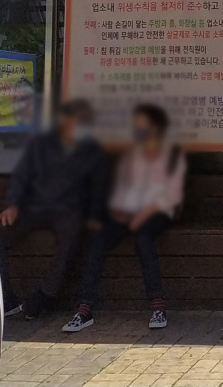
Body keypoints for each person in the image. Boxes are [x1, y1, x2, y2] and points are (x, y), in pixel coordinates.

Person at [64, 103, 186, 333]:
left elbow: (170, 195)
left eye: (143, 125)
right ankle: (84, 309)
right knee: (99, 240)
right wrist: (117, 211)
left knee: (143, 239)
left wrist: (140, 216)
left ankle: (157, 306)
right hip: (131, 211)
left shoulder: (171, 153)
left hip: (159, 211)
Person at [0, 98, 108, 320]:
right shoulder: (41, 144)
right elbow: (22, 176)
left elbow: (98, 185)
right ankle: (5, 298)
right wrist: (13, 205)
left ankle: (43, 297)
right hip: (34, 206)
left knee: (72, 237)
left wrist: (94, 213)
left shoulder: (92, 150)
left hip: (68, 210)